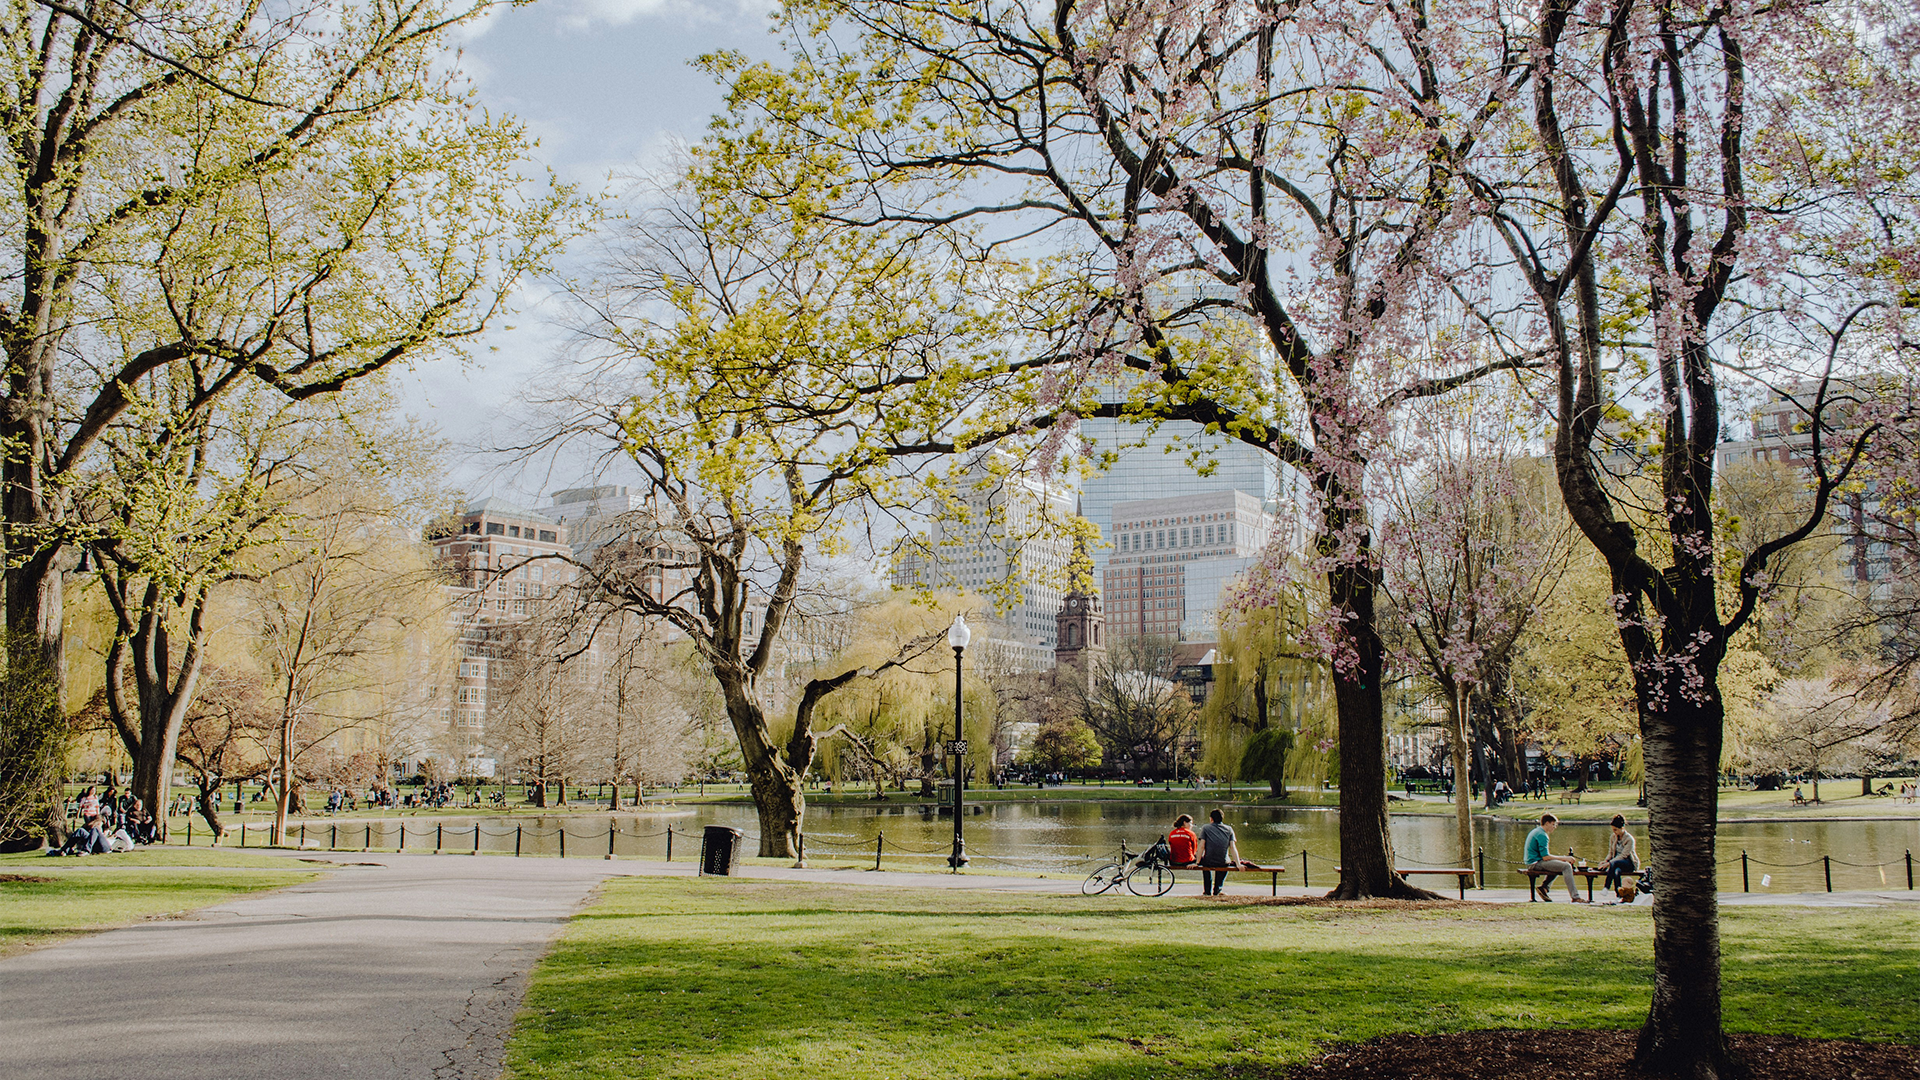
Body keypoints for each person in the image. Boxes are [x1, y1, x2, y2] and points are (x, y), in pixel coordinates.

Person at [1525, 812, 1586, 903]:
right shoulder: (1542, 835)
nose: (1555, 827)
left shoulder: (1537, 831)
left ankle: (1544, 888)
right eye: (1553, 824)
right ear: (1547, 823)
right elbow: (1545, 857)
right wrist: (1565, 858)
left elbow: (1545, 856)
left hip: (1533, 862)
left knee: (1559, 865)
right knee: (1566, 866)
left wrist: (1561, 859)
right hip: (1535, 863)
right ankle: (1575, 897)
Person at [1198, 809, 1241, 896]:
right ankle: (1218, 889)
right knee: (1225, 863)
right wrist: (1238, 863)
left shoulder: (1206, 828)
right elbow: (1233, 847)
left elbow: (1202, 846)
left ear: (1211, 819)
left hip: (1208, 861)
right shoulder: (1229, 829)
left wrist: (1197, 862)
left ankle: (1207, 891)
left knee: (1205, 865)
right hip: (1223, 861)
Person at [1600, 813, 1638, 893]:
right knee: (1616, 871)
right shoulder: (1613, 837)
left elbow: (1624, 855)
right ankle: (1619, 894)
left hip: (1628, 862)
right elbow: (1610, 852)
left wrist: (1609, 863)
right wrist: (1605, 861)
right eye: (1613, 830)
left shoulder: (1629, 839)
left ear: (1622, 828)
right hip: (1615, 863)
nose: (1614, 832)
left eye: (1615, 830)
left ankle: (1606, 887)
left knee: (1614, 863)